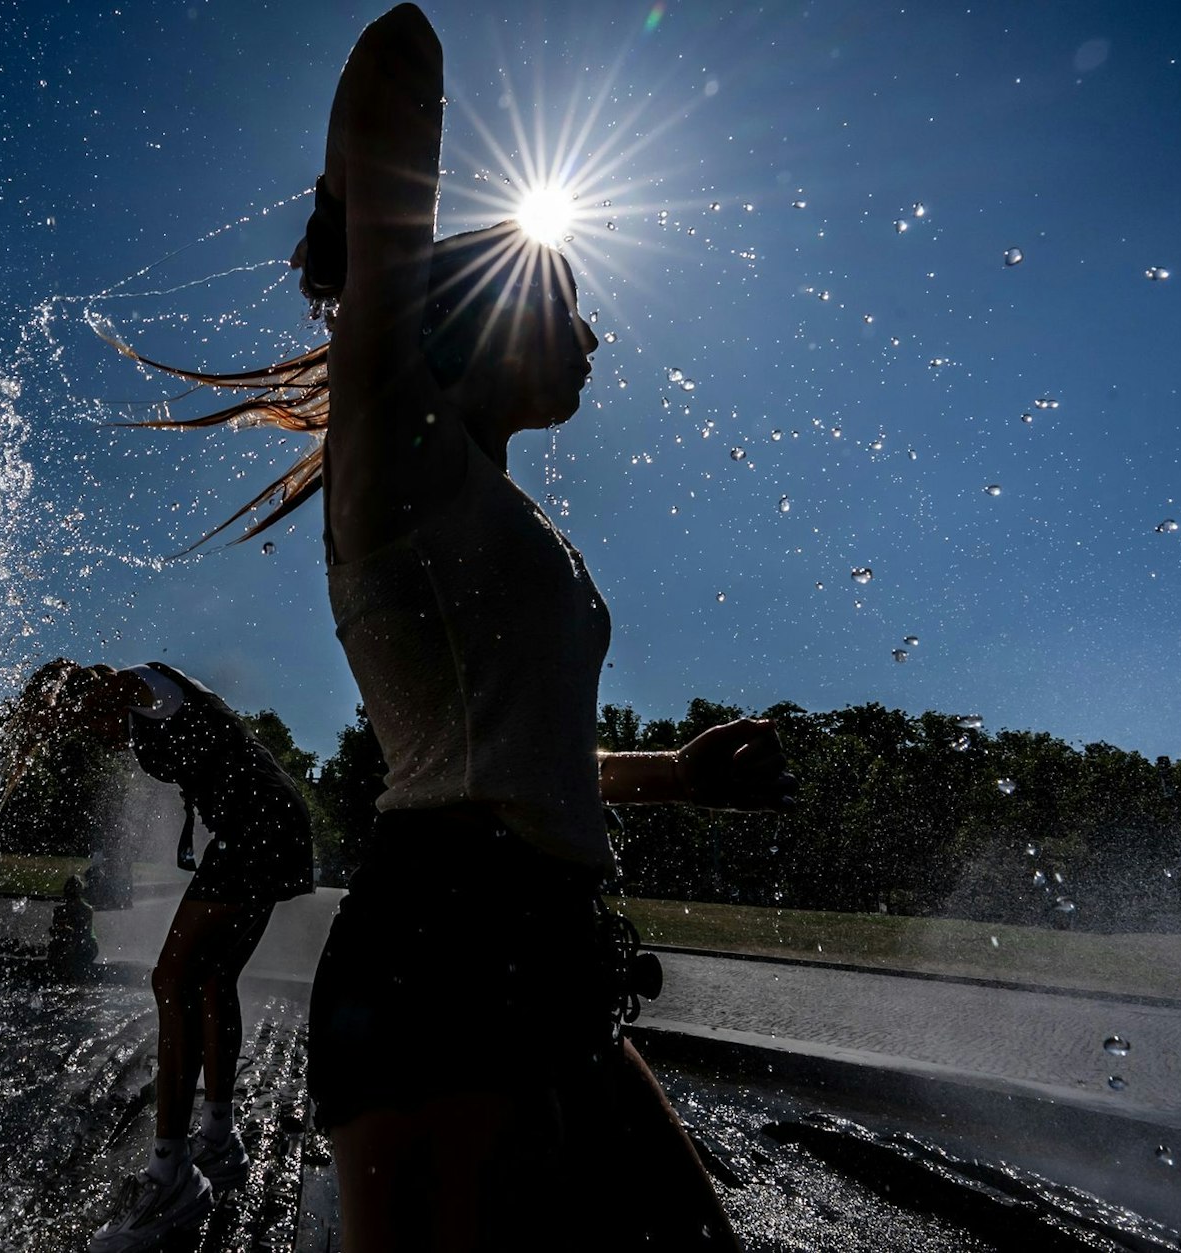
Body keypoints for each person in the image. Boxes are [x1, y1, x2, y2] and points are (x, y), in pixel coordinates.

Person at [115, 7, 797, 1247]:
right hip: (442, 954)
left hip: (546, 949)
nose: (592, 334)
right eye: (566, 301)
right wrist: (368, 233)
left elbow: (517, 760)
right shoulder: (400, 461)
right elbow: (395, 52)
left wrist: (678, 776)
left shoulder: (496, 508)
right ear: (482, 319)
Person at [5, 659, 314, 1252]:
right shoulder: (143, 707)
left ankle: (172, 1174)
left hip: (256, 826)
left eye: (78, 715)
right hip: (268, 823)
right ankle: (219, 1140)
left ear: (88, 690)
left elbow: (111, 689)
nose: (87, 730)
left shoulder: (143, 686)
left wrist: (57, 704)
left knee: (173, 979)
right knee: (214, 979)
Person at [47, 874, 101, 979]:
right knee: (60, 947)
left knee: (67, 949)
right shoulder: (84, 910)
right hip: (75, 944)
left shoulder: (85, 910)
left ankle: (68, 974)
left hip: (83, 946)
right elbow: (56, 932)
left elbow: (84, 935)